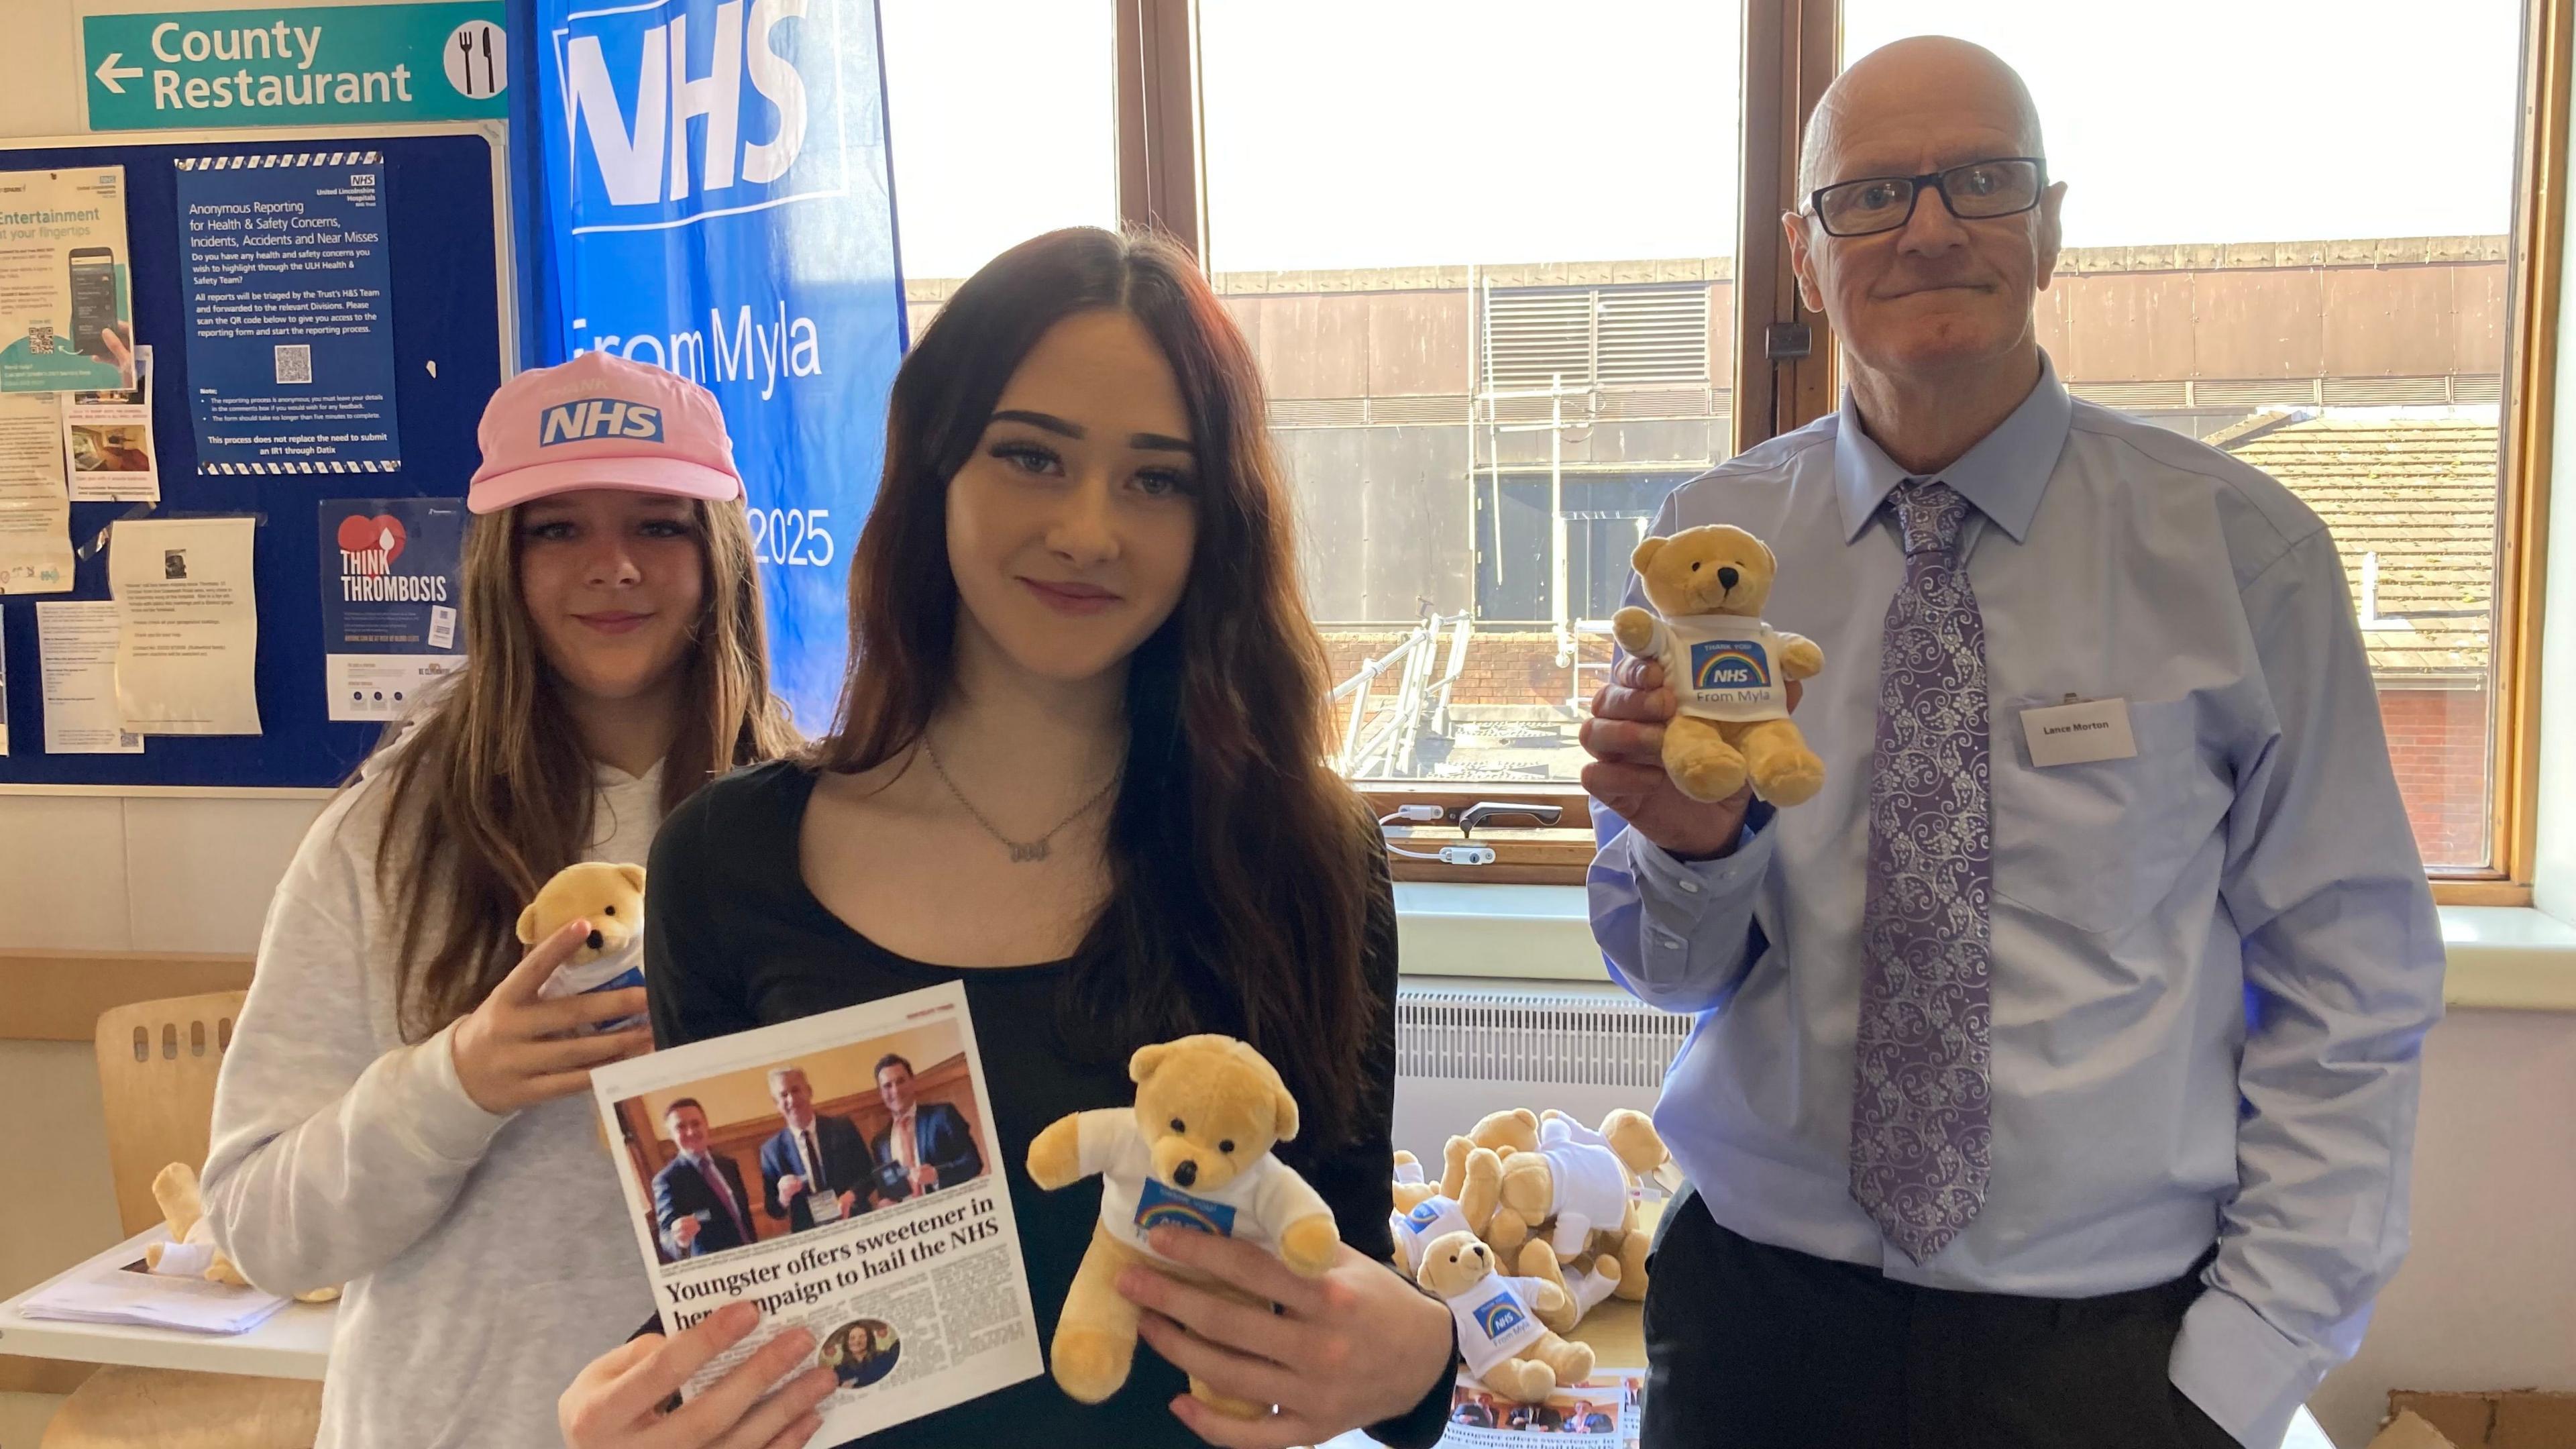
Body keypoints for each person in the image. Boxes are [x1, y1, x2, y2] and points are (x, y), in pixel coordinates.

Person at [1580, 36, 2445, 1449]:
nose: (1928, 228)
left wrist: (2245, 1364)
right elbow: (1662, 971)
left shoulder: (2242, 554)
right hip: (1759, 1335)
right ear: (1806, 259)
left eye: (1981, 181)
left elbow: (2356, 987)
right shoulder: (1711, 549)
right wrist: (1693, 849)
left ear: (2049, 228)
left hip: (2110, 1357)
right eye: (1869, 198)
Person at [556, 227, 1458, 1449]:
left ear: (1216, 523)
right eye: (1031, 457)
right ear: (936, 468)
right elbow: (725, 1291)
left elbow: (1336, 1272)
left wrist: (1423, 1361)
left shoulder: (1303, 857)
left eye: (1157, 479)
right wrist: (641, 1401)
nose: (1089, 530)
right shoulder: (727, 864)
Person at [199, 350, 800, 1449]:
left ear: (717, 554)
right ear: (498, 564)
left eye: (659, 524)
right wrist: (460, 1082)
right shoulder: (383, 839)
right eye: (556, 528)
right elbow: (259, 1228)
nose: (611, 566)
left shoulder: (822, 830)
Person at [758, 1065, 870, 1230]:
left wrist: (850, 1196)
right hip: (811, 1238)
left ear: (809, 1091)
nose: (791, 1100)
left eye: (796, 1090)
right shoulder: (771, 1151)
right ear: (776, 1103)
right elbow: (774, 1210)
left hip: (854, 1222)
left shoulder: (843, 1128)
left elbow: (869, 1174)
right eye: (783, 1095)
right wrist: (783, 1197)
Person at [865, 1051, 983, 1203]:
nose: (895, 1091)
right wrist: (885, 1202)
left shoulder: (943, 1115)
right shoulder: (879, 1143)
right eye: (887, 1086)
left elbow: (973, 1162)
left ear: (912, 1082)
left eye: (901, 1081)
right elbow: (887, 1189)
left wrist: (936, 1175)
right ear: (881, 1093)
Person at [655, 1098, 759, 1258]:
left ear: (706, 1125)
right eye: (681, 1127)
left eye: (696, 1124)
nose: (690, 1132)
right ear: (671, 1135)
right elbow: (667, 1236)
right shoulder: (667, 1180)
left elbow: (743, 1216)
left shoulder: (728, 1165)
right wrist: (680, 1241)